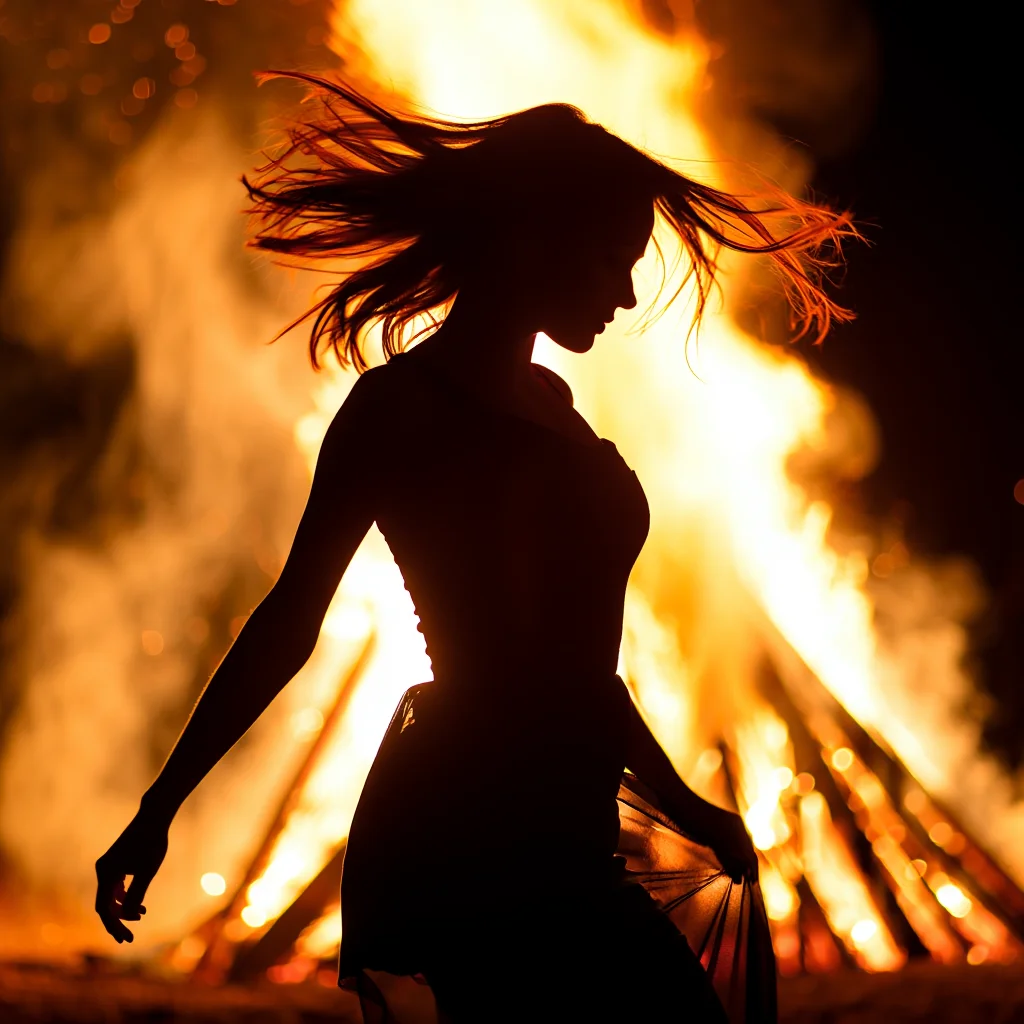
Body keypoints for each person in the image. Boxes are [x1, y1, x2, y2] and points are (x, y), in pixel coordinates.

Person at [95, 74, 854, 1022]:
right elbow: (291, 619)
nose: (626, 294)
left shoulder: (556, 403)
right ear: (536, 238)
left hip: (569, 842)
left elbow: (579, 675)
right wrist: (158, 809)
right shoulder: (399, 410)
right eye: (611, 260)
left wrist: (685, 804)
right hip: (473, 836)